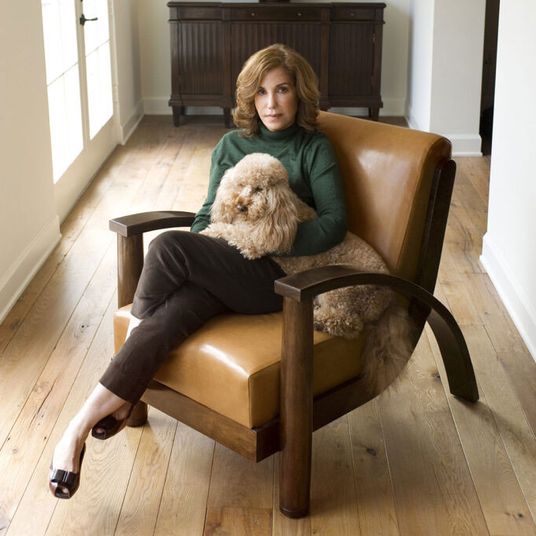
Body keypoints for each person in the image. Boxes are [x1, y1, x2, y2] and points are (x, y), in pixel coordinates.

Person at [49, 43, 347, 498]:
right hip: (228, 263)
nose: (271, 103)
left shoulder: (314, 147)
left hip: (280, 278)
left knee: (167, 245)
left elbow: (333, 222)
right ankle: (77, 428)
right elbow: (207, 216)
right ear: (249, 97)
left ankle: (119, 382)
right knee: (172, 311)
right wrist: (208, 257)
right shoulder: (231, 146)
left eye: (282, 90)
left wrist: (268, 239)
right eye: (261, 92)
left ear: (299, 93)